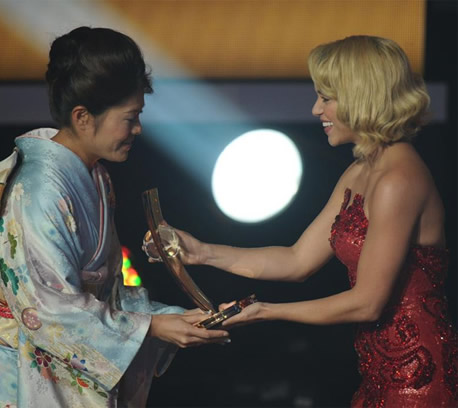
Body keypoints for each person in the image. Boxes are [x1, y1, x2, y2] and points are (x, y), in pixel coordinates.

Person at [158, 36, 458, 407]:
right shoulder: (360, 171)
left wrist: (267, 311)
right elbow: (298, 259)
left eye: (326, 98)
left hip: (418, 379)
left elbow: (367, 304)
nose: (316, 110)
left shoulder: (400, 179)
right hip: (379, 374)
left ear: (361, 97)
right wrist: (200, 252)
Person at [0, 26, 229, 407]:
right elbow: (48, 309)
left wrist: (174, 318)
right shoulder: (37, 191)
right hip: (11, 377)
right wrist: (152, 327)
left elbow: (102, 296)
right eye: (130, 117)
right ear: (83, 117)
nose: (138, 128)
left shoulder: (95, 175)